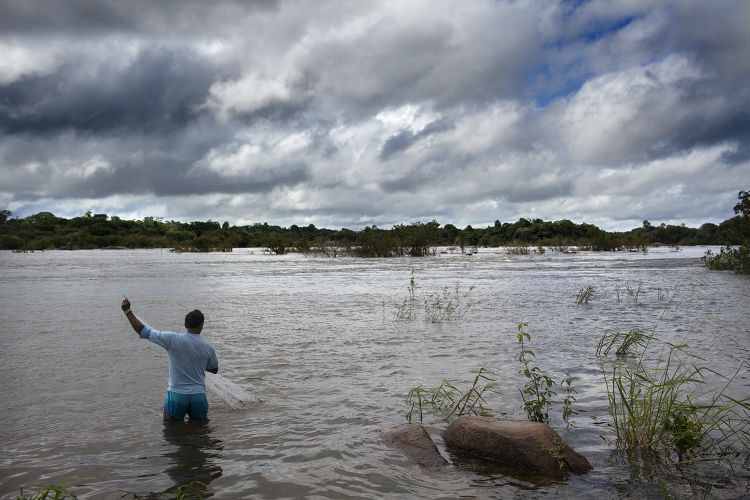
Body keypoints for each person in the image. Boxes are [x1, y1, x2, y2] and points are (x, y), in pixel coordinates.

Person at [121, 297, 219, 422]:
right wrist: (198, 364)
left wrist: (127, 311)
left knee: (171, 431)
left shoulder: (172, 339)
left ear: (185, 324)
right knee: (201, 430)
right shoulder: (208, 346)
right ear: (201, 325)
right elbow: (214, 369)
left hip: (176, 396)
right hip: (198, 396)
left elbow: (142, 330)